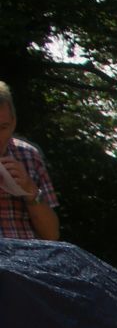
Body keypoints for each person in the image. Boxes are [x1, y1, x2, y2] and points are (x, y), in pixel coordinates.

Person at [0, 82, 60, 241]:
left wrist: (30, 190)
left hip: (26, 261)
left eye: (3, 127)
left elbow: (52, 235)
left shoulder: (29, 156)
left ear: (13, 122)